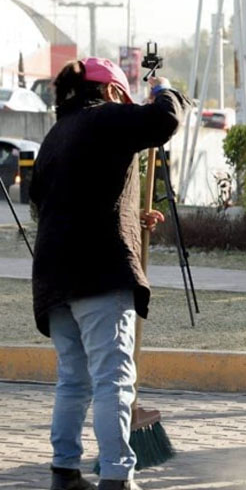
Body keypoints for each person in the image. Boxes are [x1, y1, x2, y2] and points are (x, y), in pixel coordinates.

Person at [30, 58, 189, 490]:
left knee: (73, 379)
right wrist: (164, 90)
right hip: (98, 273)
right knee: (113, 378)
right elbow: (165, 119)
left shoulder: (56, 136)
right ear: (114, 93)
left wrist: (130, 219)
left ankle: (64, 472)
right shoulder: (106, 118)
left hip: (53, 277)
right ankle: (118, 476)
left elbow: (58, 202)